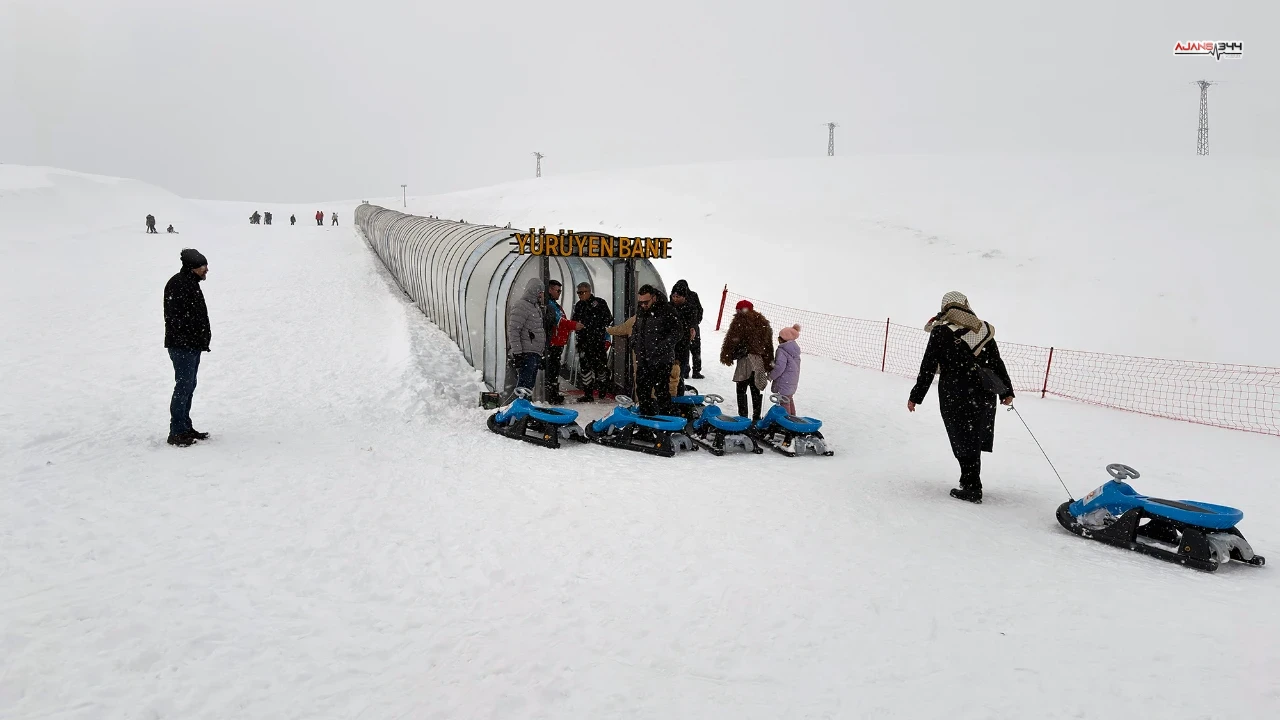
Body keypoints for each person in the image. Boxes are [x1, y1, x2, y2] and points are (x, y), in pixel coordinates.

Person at [907, 291, 1015, 504]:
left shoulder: (940, 331)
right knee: (972, 436)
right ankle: (970, 481)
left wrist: (916, 396)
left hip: (955, 392)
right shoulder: (984, 329)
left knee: (961, 436)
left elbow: (928, 366)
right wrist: (1006, 391)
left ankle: (972, 485)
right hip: (983, 393)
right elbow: (996, 362)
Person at [163, 249, 212, 447]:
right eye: (203, 266)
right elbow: (177, 318)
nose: (206, 269)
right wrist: (192, 336)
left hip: (191, 345)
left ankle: (185, 426)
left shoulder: (190, 283)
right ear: (192, 267)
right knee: (183, 387)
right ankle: (176, 431)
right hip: (182, 346)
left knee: (189, 386)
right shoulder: (178, 284)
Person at [630, 284, 682, 416]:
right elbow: (636, 328)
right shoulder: (641, 309)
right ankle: (646, 421)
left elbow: (678, 332)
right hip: (643, 359)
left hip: (661, 360)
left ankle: (665, 424)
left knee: (662, 392)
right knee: (642, 391)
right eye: (640, 302)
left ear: (653, 298)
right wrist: (634, 343)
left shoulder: (667, 310)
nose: (643, 305)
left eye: (646, 302)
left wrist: (662, 347)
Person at [719, 299, 773, 422]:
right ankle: (756, 418)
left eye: (738, 309)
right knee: (756, 389)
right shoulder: (763, 323)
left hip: (745, 361)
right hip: (758, 361)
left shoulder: (740, 320)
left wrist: (727, 354)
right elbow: (769, 345)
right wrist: (769, 362)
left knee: (741, 389)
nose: (737, 312)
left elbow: (732, 340)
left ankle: (743, 418)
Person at [571, 282, 613, 402]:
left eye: (582, 292)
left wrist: (596, 327)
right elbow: (574, 321)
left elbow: (608, 318)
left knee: (600, 367)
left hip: (597, 341)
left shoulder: (600, 303)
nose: (580, 295)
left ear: (589, 291)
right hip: (584, 342)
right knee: (585, 368)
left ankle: (602, 389)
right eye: (578, 293)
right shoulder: (579, 305)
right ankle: (588, 394)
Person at [506, 277, 547, 393]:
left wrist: (541, 353)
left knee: (529, 386)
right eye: (540, 292)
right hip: (526, 353)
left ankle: (526, 406)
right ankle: (520, 408)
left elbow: (538, 330)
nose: (542, 295)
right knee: (523, 386)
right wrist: (517, 353)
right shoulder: (521, 306)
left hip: (534, 353)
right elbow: (514, 331)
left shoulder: (535, 307)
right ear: (535, 291)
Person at [542, 280, 576, 405]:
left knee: (555, 368)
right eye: (558, 291)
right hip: (553, 343)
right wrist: (574, 325)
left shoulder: (555, 305)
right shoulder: (550, 305)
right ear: (550, 290)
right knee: (552, 368)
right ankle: (551, 394)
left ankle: (553, 393)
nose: (560, 294)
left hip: (557, 342)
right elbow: (559, 321)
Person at [671, 279, 704, 379]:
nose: (675, 298)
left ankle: (687, 371)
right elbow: (700, 310)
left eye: (678, 296)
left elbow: (698, 311)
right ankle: (695, 371)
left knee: (690, 350)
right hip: (690, 329)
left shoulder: (691, 300)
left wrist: (694, 324)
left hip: (691, 329)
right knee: (694, 350)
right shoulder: (691, 296)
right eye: (674, 296)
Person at [769, 324, 803, 415]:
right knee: (789, 399)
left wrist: (770, 376)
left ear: (784, 339)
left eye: (779, 337)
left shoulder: (782, 350)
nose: (778, 339)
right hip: (791, 381)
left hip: (784, 382)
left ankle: (786, 422)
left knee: (784, 402)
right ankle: (793, 417)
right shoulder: (794, 350)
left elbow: (779, 368)